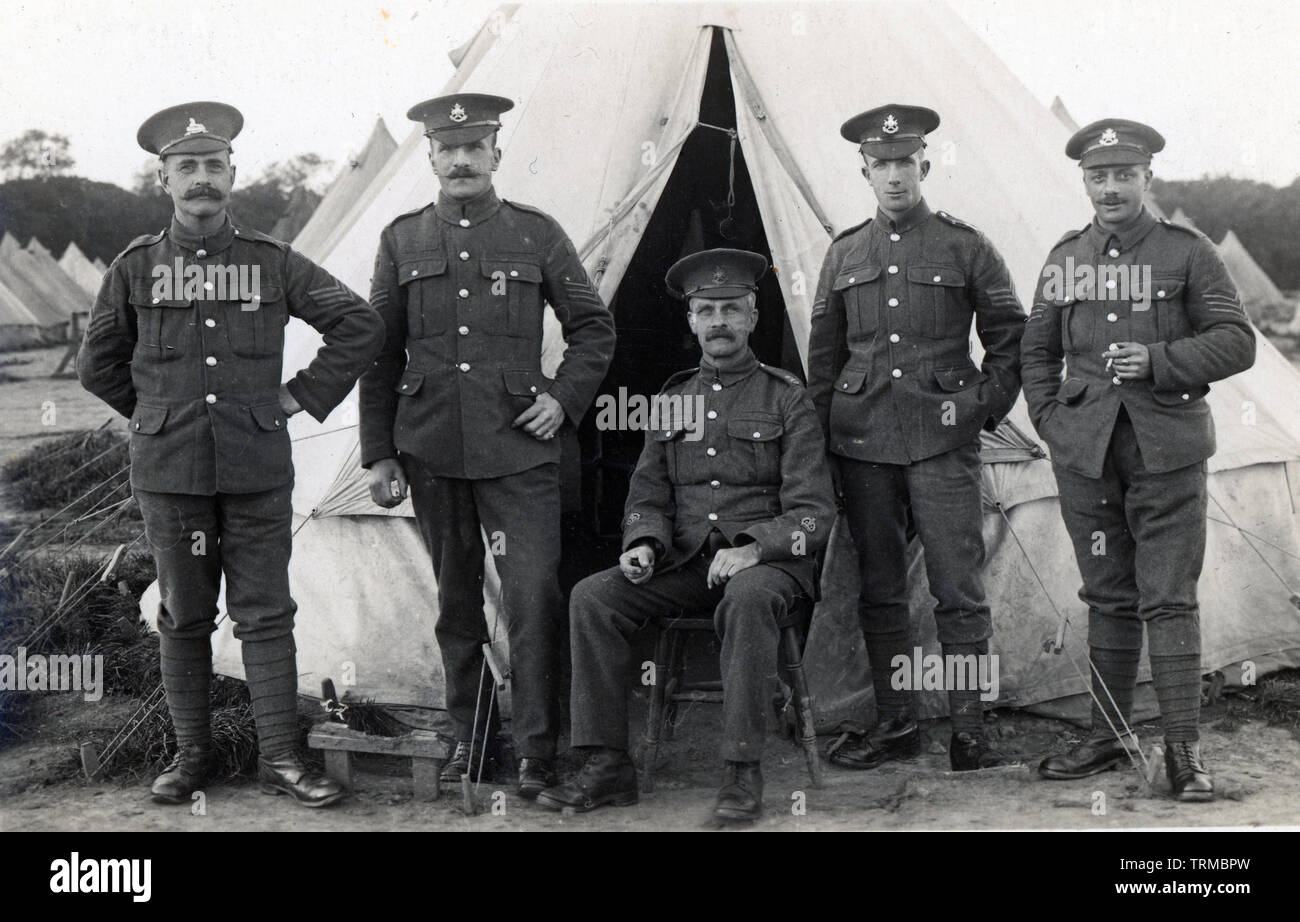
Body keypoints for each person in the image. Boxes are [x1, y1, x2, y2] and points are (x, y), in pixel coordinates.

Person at [78, 102, 384, 806]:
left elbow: (358, 324)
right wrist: (157, 417)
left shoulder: (272, 263)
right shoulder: (134, 268)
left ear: (232, 174)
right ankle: (193, 759)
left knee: (267, 612)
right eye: (186, 167)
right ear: (165, 180)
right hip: (171, 477)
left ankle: (281, 758)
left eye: (213, 165)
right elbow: (98, 366)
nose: (201, 179)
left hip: (254, 471)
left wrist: (298, 395)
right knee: (184, 614)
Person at [358, 93, 615, 799]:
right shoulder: (401, 240)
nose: (462, 160)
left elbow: (594, 328)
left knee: (533, 596)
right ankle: (473, 745)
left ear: (497, 155)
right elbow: (379, 354)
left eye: (475, 148)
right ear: (432, 159)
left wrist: (560, 401)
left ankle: (536, 751)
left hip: (520, 454)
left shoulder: (535, 234)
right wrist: (379, 451)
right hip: (432, 450)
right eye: (449, 149)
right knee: (456, 604)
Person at [537, 249, 835, 823]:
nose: (718, 320)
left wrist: (752, 549)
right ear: (691, 320)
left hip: (772, 568)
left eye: (731, 309)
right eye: (706, 310)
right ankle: (607, 765)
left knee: (747, 600)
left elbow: (813, 512)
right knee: (592, 596)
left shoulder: (786, 398)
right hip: (688, 562)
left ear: (752, 317)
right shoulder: (671, 401)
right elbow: (647, 496)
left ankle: (741, 774)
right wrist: (643, 545)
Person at [1023, 119, 1255, 801]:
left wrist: (1158, 360)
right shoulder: (1065, 257)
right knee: (1106, 593)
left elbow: (1236, 341)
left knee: (1169, 596)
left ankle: (1183, 750)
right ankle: (1108, 735)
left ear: (1148, 178)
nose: (1112, 188)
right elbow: (1036, 351)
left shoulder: (1189, 251)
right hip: (1085, 452)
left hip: (1167, 448)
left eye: (1125, 175)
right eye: (1099, 177)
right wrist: (1050, 422)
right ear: (1085, 183)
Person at [806, 104, 1026, 771]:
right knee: (878, 587)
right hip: (863, 442)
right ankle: (897, 724)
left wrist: (979, 410)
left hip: (941, 440)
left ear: (925, 165)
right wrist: (823, 439)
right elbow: (824, 357)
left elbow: (1011, 337)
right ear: (865, 171)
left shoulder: (966, 246)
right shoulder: (845, 252)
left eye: (906, 162)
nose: (895, 175)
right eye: (882, 164)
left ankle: (968, 732)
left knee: (958, 588)